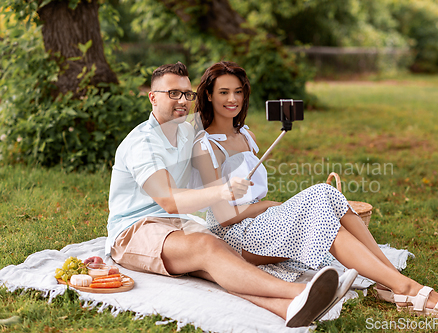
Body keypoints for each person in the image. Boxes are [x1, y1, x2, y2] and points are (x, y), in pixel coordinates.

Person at [191, 61, 438, 318]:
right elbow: (225, 216)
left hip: (261, 223)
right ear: (210, 96)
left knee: (325, 196)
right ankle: (402, 287)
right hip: (235, 237)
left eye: (238, 91)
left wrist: (270, 208)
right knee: (320, 195)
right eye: (224, 92)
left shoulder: (246, 135)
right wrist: (269, 205)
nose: (232, 99)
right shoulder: (205, 147)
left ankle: (391, 280)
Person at [105, 61, 352, 328]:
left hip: (175, 226)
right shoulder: (142, 144)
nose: (182, 101)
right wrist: (221, 191)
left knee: (222, 261)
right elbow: (168, 201)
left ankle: (287, 308)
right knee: (207, 247)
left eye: (187, 94)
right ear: (153, 97)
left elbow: (220, 128)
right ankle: (302, 293)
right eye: (172, 93)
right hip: (134, 231)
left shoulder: (186, 131)